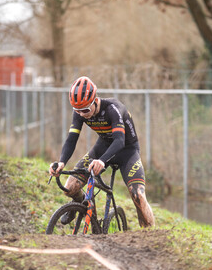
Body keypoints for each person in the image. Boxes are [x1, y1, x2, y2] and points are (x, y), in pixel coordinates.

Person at [49, 76, 155, 227]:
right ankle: (80, 205)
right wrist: (61, 162)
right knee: (69, 187)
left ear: (95, 100)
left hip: (127, 151)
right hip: (102, 148)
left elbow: (119, 141)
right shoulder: (80, 112)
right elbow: (72, 139)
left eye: (85, 109)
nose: (81, 114)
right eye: (77, 110)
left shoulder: (113, 109)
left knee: (138, 195)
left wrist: (102, 161)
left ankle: (150, 235)